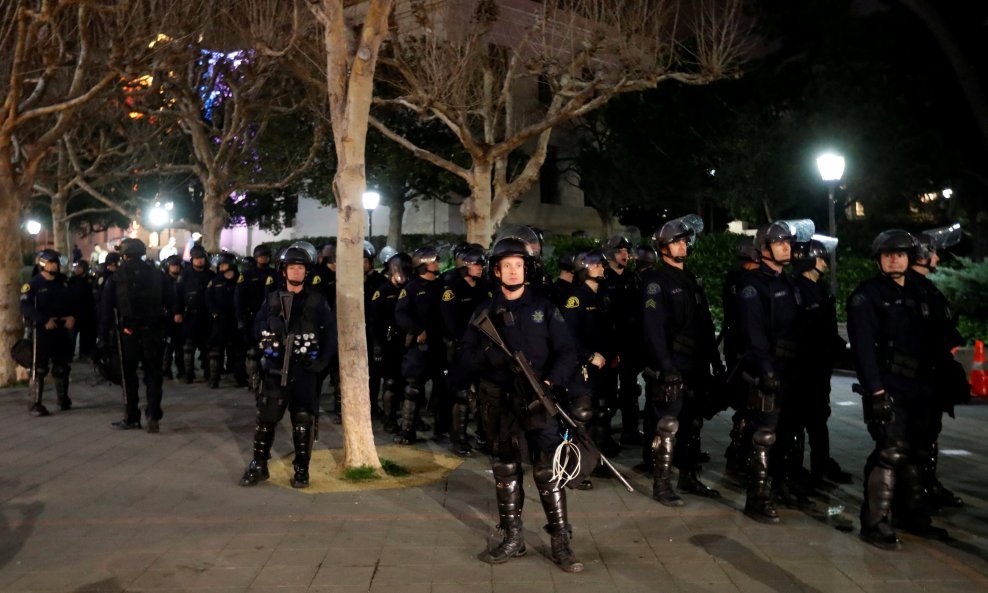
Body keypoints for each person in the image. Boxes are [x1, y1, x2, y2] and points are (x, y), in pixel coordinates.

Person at [457, 236, 584, 573]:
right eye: (506, 266)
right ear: (496, 272)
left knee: (547, 471)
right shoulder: (484, 313)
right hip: (499, 403)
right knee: (506, 469)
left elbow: (568, 352)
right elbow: (465, 354)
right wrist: (491, 359)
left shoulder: (545, 308)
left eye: (519, 265)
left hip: (538, 401)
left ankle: (561, 541)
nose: (513, 271)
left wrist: (547, 382)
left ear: (527, 269)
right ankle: (513, 538)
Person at [847, 229, 952, 550]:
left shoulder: (921, 292)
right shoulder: (868, 295)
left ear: (909, 258)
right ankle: (875, 523)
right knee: (890, 451)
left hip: (920, 386)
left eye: (900, 254)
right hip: (889, 384)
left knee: (918, 450)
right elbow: (863, 348)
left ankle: (913, 515)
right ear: (878, 259)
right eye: (888, 254)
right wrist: (875, 391)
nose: (894, 259)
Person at [240, 242, 336, 489]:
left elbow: (330, 335)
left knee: (303, 421)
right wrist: (266, 345)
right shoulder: (272, 299)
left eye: (300, 268)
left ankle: (302, 469)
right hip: (274, 369)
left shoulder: (317, 301)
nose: (296, 272)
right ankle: (259, 465)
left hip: (304, 371)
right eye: (291, 268)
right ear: (283, 271)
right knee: (266, 418)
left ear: (307, 272)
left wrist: (321, 364)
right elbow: (257, 327)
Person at [640, 216, 721, 505]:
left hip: (696, 366)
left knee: (693, 422)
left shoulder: (692, 280)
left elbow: (705, 323)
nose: (682, 246)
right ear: (663, 247)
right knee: (668, 426)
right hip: (671, 365)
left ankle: (689, 475)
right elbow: (653, 330)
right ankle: (662, 484)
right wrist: (665, 367)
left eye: (684, 241)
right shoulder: (655, 282)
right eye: (676, 241)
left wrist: (715, 363)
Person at [736, 220, 808, 524]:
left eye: (788, 243)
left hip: (791, 370)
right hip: (767, 370)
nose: (786, 248)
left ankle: (782, 485)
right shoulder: (753, 286)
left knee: (788, 432)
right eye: (779, 244)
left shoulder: (788, 283)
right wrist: (766, 370)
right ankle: (758, 497)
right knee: (763, 435)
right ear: (764, 249)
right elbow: (754, 334)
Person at [908, 224, 967, 510]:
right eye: (933, 253)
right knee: (917, 437)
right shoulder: (912, 289)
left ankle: (927, 483)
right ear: (921, 254)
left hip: (932, 375)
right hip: (918, 377)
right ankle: (917, 489)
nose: (938, 258)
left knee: (929, 433)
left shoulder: (927, 289)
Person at [789, 237, 852, 489]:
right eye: (821, 258)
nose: (825, 263)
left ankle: (820, 467)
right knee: (799, 419)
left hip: (820, 366)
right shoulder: (797, 289)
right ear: (809, 261)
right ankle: (795, 472)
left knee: (818, 418)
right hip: (803, 367)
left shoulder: (820, 288)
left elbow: (826, 328)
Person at [100, 238, 174, 432]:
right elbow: (171, 304)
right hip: (153, 332)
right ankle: (153, 415)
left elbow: (107, 311)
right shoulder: (158, 275)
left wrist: (101, 338)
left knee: (128, 376)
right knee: (153, 375)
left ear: (124, 255)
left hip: (128, 333)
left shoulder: (116, 278)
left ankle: (132, 416)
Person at [394, 246, 448, 444]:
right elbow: (400, 314)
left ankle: (442, 428)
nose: (437, 264)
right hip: (420, 347)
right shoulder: (412, 289)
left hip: (440, 346)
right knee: (413, 389)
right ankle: (407, 430)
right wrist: (417, 330)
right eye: (434, 262)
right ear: (423, 266)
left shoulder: (442, 287)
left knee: (444, 388)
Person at [440, 244, 490, 456]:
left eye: (481, 263)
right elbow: (451, 323)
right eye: (476, 264)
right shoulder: (452, 291)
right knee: (462, 395)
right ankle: (458, 438)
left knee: (483, 395)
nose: (480, 267)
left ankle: (483, 436)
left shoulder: (485, 287)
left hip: (484, 348)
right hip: (461, 349)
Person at [600, 235, 644, 446]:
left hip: (630, 343)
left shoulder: (632, 278)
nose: (625, 255)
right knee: (607, 389)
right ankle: (605, 433)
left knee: (630, 389)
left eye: (626, 250)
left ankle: (631, 430)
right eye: (620, 251)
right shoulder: (603, 279)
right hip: (609, 343)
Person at [20, 249, 75, 416]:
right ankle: (35, 403)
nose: (55, 265)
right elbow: (25, 306)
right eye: (52, 262)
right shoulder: (33, 284)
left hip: (61, 328)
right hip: (42, 330)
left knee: (62, 366)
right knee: (39, 369)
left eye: (56, 262)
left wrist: (71, 317)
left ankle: (62, 399)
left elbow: (72, 300)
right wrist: (44, 320)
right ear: (43, 263)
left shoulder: (62, 282)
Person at [370, 253, 413, 433]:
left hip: (407, 342)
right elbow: (373, 321)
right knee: (390, 383)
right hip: (388, 343)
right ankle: (389, 420)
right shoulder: (382, 292)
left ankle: (408, 419)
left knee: (407, 383)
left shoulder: (409, 288)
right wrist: (377, 346)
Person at [236, 244, 277, 389]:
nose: (263, 259)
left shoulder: (274, 274)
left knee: (269, 349)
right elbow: (239, 299)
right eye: (260, 256)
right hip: (251, 317)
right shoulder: (247, 275)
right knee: (252, 352)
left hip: (269, 317)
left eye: (265, 256)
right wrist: (240, 319)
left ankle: (267, 380)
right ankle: (252, 380)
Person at [206, 251, 247, 388]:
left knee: (238, 352)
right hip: (220, 320)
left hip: (235, 320)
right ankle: (214, 379)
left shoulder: (240, 280)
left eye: (223, 264)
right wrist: (214, 312)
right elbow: (209, 298)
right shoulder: (215, 281)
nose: (221, 267)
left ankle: (240, 377)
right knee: (216, 352)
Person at [175, 245, 214, 383]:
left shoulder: (210, 275)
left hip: (206, 316)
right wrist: (178, 312)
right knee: (188, 347)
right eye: (196, 258)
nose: (199, 261)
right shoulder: (185, 275)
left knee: (207, 348)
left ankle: (209, 374)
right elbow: (178, 295)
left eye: (201, 258)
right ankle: (189, 375)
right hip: (190, 315)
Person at [67, 260, 97, 361]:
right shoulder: (72, 280)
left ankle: (84, 354)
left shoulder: (90, 280)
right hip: (74, 313)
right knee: (71, 336)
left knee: (86, 336)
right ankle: (69, 354)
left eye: (79, 267)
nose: (77, 269)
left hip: (87, 313)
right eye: (76, 267)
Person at [161, 255, 185, 379]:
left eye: (177, 265)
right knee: (168, 345)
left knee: (180, 344)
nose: (175, 268)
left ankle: (181, 368)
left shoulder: (183, 280)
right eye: (173, 265)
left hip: (182, 315)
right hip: (168, 317)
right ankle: (166, 368)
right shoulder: (164, 281)